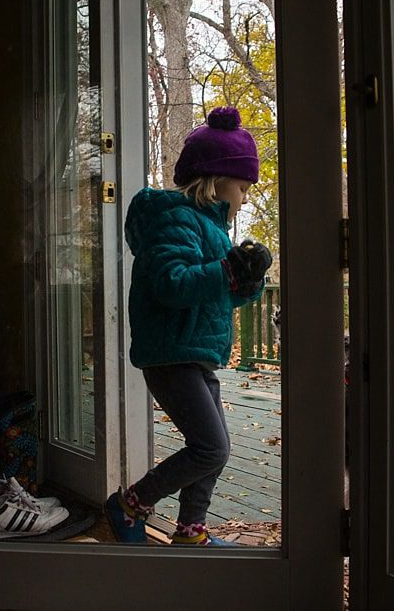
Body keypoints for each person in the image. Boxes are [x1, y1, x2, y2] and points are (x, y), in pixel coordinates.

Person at [104, 107, 272, 546]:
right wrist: (226, 271)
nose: (245, 197)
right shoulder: (174, 218)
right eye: (242, 186)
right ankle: (130, 504)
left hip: (195, 353)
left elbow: (222, 290)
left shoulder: (213, 229)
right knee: (211, 447)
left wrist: (248, 279)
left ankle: (191, 529)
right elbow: (170, 283)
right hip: (171, 354)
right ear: (214, 179)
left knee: (216, 450)